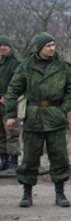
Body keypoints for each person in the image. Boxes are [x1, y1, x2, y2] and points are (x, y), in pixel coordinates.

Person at [3, 32, 71, 208]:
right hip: (34, 117)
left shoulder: (63, 66)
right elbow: (13, 90)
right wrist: (11, 116)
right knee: (29, 157)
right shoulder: (26, 66)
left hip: (55, 116)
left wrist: (63, 110)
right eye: (48, 45)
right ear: (40, 48)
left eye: (53, 45)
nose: (52, 48)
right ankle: (26, 194)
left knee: (59, 157)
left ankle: (60, 194)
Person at [0, 34, 23, 176]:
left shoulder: (16, 62)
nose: (2, 48)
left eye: (5, 45)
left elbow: (19, 83)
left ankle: (14, 163)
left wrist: (8, 97)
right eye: (0, 46)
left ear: (9, 47)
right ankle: (4, 161)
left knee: (11, 132)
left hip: (10, 103)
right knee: (1, 134)